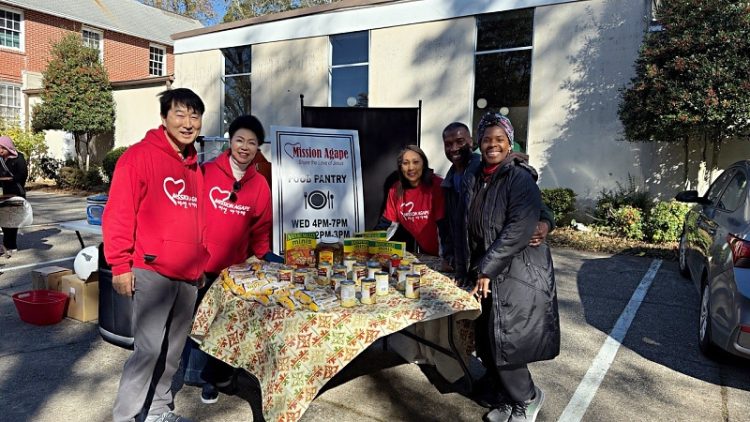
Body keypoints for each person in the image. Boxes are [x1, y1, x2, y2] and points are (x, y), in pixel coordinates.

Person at [103, 88, 208, 422]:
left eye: (194, 116)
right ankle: (125, 416)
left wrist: (201, 263)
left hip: (188, 277)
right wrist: (120, 265)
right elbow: (119, 214)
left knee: (173, 352)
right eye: (180, 114)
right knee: (146, 351)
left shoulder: (195, 166)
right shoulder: (138, 157)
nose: (188, 123)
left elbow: (200, 219)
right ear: (163, 118)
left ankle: (159, 410)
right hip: (152, 272)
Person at [457, 112, 560, 422]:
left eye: (499, 139)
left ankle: (528, 398)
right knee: (489, 342)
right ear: (479, 144)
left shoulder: (518, 177)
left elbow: (518, 228)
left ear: (510, 142)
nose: (493, 145)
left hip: (516, 274)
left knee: (508, 341)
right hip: (486, 273)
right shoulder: (477, 174)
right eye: (487, 139)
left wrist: (487, 268)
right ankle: (507, 397)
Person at [178, 114, 277, 404]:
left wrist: (265, 257)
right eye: (239, 140)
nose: (245, 147)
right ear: (230, 141)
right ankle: (195, 376)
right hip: (199, 266)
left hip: (234, 272)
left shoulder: (259, 185)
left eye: (252, 142)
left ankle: (212, 378)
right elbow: (188, 214)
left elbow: (260, 229)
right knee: (197, 325)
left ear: (258, 147)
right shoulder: (206, 171)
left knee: (223, 327)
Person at [441, 122, 555, 274]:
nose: (454, 148)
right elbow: (452, 225)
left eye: (460, 142)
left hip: (498, 265)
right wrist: (451, 258)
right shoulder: (449, 180)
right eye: (448, 144)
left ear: (472, 142)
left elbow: (533, 204)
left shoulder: (486, 169)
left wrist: (546, 223)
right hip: (469, 264)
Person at [375, 144, 447, 256]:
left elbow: (444, 227)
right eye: (405, 163)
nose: (411, 168)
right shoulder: (395, 190)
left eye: (416, 162)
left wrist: (446, 257)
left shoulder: (437, 186)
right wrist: (370, 248)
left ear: (424, 164)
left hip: (449, 254)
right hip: (428, 253)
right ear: (400, 167)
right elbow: (387, 226)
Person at [0, 135, 28, 257]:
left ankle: (11, 245)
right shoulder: (0, 159)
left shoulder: (19, 158)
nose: (1, 150)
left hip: (16, 192)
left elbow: (23, 175)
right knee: (4, 220)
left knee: (12, 220)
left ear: (9, 147)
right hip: (4, 193)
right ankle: (7, 244)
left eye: (3, 148)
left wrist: (10, 179)